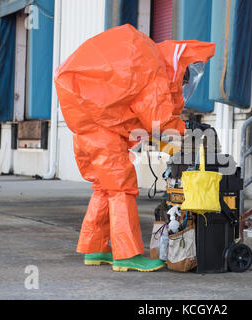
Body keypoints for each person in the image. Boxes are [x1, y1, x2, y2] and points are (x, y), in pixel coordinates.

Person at [54, 24, 215, 272]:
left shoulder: (143, 56)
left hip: (87, 122)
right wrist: (186, 128)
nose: (182, 82)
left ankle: (95, 247)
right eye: (184, 76)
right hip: (103, 129)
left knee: (105, 188)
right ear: (178, 64)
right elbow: (158, 118)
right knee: (121, 188)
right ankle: (126, 254)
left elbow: (136, 112)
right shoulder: (153, 68)